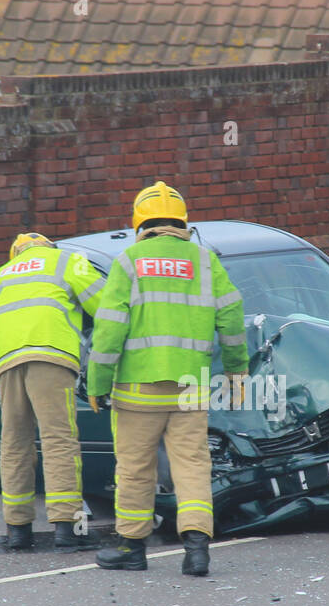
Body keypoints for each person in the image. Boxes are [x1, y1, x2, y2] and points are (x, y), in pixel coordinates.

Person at [88, 182, 249, 576]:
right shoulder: (205, 261)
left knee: (135, 467)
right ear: (183, 221)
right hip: (190, 387)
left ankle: (132, 549)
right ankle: (196, 551)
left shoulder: (129, 262)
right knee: (192, 466)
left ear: (139, 222)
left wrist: (98, 382)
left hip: (137, 389)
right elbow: (231, 316)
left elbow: (109, 330)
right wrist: (236, 370)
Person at [0, 232, 104, 552]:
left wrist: (1, 371)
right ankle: (66, 529)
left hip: (7, 364)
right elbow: (105, 303)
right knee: (58, 439)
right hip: (50, 356)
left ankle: (18, 531)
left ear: (15, 254)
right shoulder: (65, 261)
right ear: (48, 247)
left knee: (15, 442)